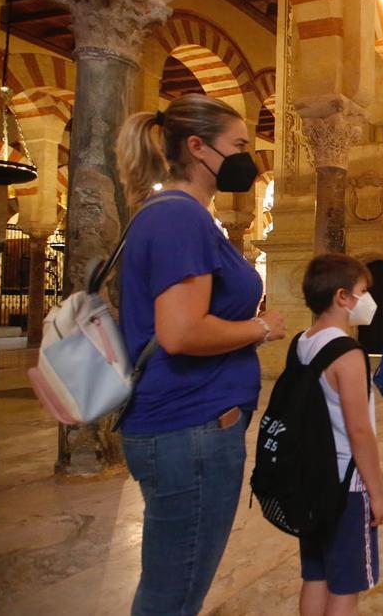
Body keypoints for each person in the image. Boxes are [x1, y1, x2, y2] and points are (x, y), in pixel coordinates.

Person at [115, 94, 287, 615]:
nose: (247, 160)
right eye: (238, 146)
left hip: (186, 427)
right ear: (197, 147)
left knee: (176, 585)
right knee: (174, 595)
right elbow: (181, 333)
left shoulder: (183, 216)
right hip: (188, 427)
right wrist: (260, 328)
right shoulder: (180, 218)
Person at [295, 254, 383, 616]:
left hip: (311, 477)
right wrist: (379, 493)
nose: (367, 300)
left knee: (316, 575)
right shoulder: (348, 353)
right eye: (362, 291)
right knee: (346, 588)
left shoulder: (302, 342)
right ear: (342, 297)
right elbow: (358, 429)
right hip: (346, 484)